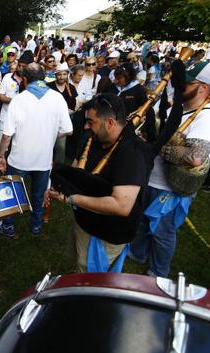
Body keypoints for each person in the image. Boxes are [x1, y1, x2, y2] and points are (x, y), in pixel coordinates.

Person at [130, 61, 210, 277]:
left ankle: (158, 272)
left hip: (171, 188)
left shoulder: (208, 117)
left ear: (204, 87)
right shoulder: (176, 109)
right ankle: (137, 253)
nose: (180, 86)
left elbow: (196, 157)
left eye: (188, 83)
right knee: (141, 221)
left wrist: (156, 144)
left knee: (163, 233)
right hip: (151, 178)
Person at [49, 94, 151, 272]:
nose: (87, 127)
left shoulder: (132, 152)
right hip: (86, 222)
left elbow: (121, 205)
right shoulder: (98, 138)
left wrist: (72, 199)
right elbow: (80, 172)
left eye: (91, 122)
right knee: (80, 265)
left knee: (89, 279)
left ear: (110, 123)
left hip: (105, 234)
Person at [0, 63, 73, 236]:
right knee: (38, 195)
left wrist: (0, 155)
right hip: (43, 160)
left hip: (19, 159)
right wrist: (50, 135)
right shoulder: (58, 98)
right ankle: (36, 226)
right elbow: (68, 130)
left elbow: (7, 135)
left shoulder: (18, 100)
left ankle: (8, 225)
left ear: (25, 79)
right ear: (44, 77)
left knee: (12, 192)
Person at [47, 62, 76, 164]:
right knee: (47, 144)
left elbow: (73, 104)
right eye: (59, 74)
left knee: (60, 147)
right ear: (55, 75)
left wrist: (70, 111)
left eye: (64, 74)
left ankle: (57, 169)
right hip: (49, 121)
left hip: (63, 122)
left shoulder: (71, 88)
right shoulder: (49, 87)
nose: (62, 77)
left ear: (67, 75)